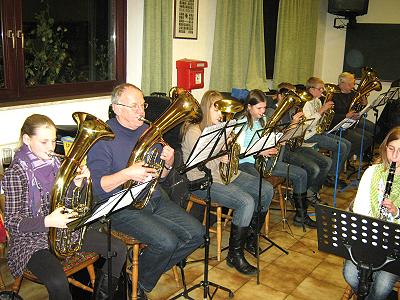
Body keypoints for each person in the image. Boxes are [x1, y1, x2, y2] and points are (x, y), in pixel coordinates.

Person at [87, 83, 205, 299]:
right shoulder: (102, 137)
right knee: (166, 242)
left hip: (154, 198)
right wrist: (127, 173)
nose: (142, 112)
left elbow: (160, 176)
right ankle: (141, 282)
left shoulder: (148, 131)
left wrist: (168, 163)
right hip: (121, 207)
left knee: (197, 234)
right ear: (117, 108)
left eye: (143, 105)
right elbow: (95, 187)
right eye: (135, 107)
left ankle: (140, 276)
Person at [2, 114, 126, 300]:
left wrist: (77, 183)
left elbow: (67, 201)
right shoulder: (15, 174)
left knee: (117, 248)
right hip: (31, 239)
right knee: (58, 282)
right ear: (27, 139)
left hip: (64, 230)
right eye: (44, 142)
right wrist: (48, 221)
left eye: (53, 141)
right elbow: (12, 223)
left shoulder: (57, 164)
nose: (51, 147)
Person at [181, 90, 273, 275]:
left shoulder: (219, 128)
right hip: (203, 181)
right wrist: (223, 152)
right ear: (207, 109)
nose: (222, 115)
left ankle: (249, 237)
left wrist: (230, 143)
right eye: (218, 110)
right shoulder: (194, 132)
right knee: (246, 202)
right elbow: (201, 164)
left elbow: (229, 158)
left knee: (266, 190)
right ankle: (234, 254)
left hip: (224, 176)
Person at [236, 89, 316, 229]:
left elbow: (276, 139)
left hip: (264, 161)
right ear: (249, 107)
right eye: (259, 108)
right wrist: (260, 151)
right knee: (262, 190)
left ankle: (301, 216)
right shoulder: (242, 123)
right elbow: (238, 150)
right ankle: (252, 231)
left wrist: (292, 126)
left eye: (264, 108)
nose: (263, 111)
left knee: (301, 174)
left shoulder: (264, 120)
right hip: (246, 164)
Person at [343, 126, 400, 299]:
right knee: (350, 274)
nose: (395, 156)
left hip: (395, 243)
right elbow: (359, 208)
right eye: (391, 149)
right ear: (385, 148)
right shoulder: (371, 172)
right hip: (368, 236)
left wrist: (396, 212)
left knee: (382, 287)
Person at [277, 82, 332, 206]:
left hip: (297, 145)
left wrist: (300, 125)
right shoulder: (274, 112)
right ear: (280, 96)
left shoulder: (292, 110)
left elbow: (303, 130)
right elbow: (278, 138)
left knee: (326, 162)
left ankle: (309, 192)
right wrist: (294, 125)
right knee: (314, 168)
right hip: (283, 150)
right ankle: (298, 193)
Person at [303, 77, 352, 189]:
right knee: (341, 147)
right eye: (320, 89)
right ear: (311, 90)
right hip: (309, 136)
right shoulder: (306, 104)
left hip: (318, 131)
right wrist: (322, 110)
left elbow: (321, 121)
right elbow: (307, 125)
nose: (322, 91)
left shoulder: (318, 101)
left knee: (347, 144)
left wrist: (326, 113)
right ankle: (330, 177)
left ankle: (333, 175)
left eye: (322, 89)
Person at [329, 72, 374, 159]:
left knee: (369, 137)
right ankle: (345, 158)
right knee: (361, 139)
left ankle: (348, 157)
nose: (353, 86)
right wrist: (345, 115)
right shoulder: (333, 95)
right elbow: (331, 116)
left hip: (349, 122)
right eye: (350, 84)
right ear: (341, 84)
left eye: (353, 83)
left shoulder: (352, 93)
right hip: (337, 125)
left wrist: (364, 104)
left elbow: (358, 108)